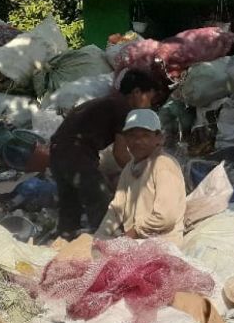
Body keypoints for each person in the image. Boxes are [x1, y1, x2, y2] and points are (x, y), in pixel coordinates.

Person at [50, 70, 160, 239]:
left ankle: (64, 244)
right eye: (149, 98)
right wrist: (144, 175)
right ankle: (107, 250)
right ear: (137, 92)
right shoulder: (124, 109)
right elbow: (120, 154)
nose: (150, 105)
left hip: (57, 151)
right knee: (101, 206)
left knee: (70, 206)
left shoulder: (108, 102)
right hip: (77, 153)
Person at [97, 109, 187, 245]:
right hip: (136, 242)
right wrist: (100, 235)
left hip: (162, 244)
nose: (137, 142)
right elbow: (116, 208)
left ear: (158, 138)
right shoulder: (130, 168)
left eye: (145, 135)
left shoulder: (163, 165)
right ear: (125, 139)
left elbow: (165, 217)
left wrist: (133, 233)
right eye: (132, 136)